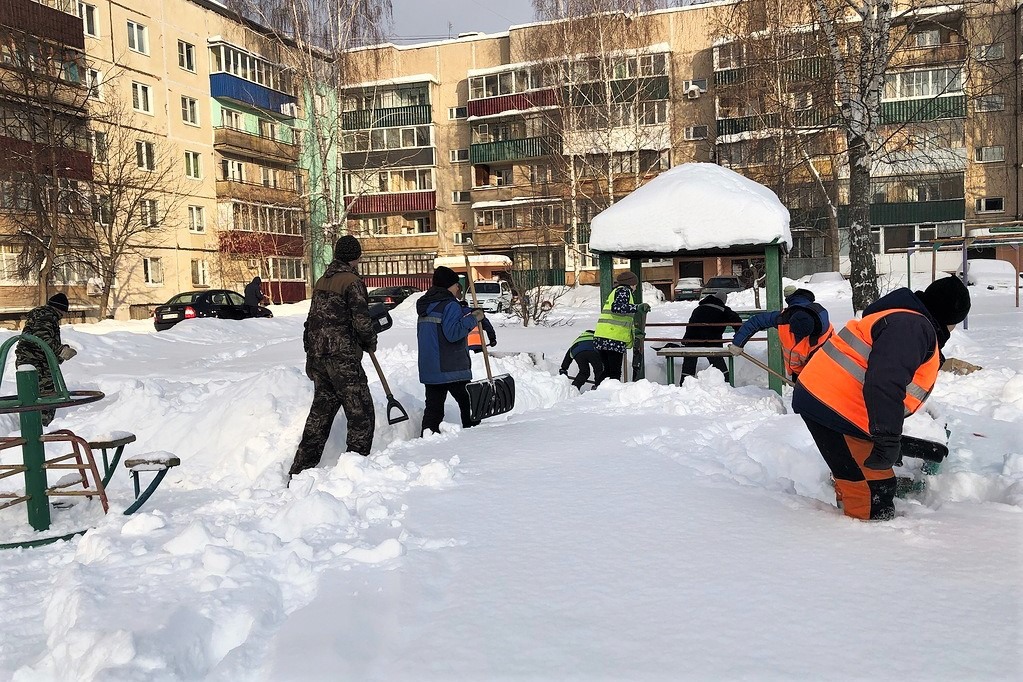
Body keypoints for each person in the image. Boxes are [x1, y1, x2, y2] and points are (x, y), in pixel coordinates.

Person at [793, 275, 971, 521]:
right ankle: (865, 541)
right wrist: (887, 439)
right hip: (834, 406)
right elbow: (885, 380)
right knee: (873, 489)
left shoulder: (904, 318)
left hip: (832, 402)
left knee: (858, 477)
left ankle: (848, 521)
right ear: (950, 317)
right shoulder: (912, 327)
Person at [289, 236, 377, 477]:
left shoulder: (321, 281)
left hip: (320, 358)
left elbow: (311, 322)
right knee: (362, 415)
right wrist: (370, 340)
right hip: (343, 359)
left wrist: (311, 354)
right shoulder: (352, 281)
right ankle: (354, 471)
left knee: (320, 417)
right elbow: (361, 320)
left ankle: (299, 471)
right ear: (356, 257)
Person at [417, 266, 485, 434]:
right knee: (468, 404)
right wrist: (474, 318)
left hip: (431, 367)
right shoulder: (450, 305)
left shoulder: (427, 305)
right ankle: (475, 438)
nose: (457, 289)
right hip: (450, 367)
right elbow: (453, 333)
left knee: (434, 410)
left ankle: (427, 440)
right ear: (449, 286)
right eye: (456, 285)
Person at [728, 286, 834, 381]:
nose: (794, 336)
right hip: (799, 373)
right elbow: (756, 321)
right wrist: (738, 343)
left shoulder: (825, 336)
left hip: (822, 374)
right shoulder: (784, 318)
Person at [15, 293, 77, 427]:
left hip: (28, 360)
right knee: (46, 396)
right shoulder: (48, 316)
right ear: (60, 309)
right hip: (37, 363)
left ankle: (32, 425)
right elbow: (41, 338)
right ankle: (42, 427)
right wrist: (61, 350)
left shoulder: (39, 315)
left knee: (31, 395)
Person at [594, 271, 650, 384]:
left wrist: (634, 331)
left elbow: (619, 320)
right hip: (613, 339)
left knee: (608, 372)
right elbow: (618, 308)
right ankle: (607, 394)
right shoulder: (624, 291)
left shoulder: (616, 291)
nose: (635, 288)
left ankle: (597, 391)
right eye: (635, 285)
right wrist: (637, 307)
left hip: (602, 337)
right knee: (614, 373)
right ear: (631, 284)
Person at [679, 294, 742, 384]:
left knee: (689, 365)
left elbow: (690, 327)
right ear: (723, 301)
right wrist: (738, 336)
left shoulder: (698, 309)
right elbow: (737, 322)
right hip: (712, 342)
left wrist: (686, 341)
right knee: (718, 363)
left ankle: (685, 384)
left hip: (692, 342)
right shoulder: (723, 310)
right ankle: (727, 383)